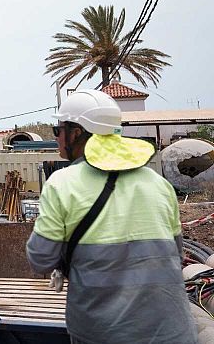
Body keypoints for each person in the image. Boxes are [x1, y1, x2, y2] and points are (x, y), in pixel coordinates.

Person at [26, 90, 197, 344]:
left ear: (75, 133)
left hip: (103, 334)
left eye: (57, 130)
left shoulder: (62, 184)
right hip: (173, 332)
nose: (56, 137)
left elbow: (40, 260)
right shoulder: (159, 184)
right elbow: (175, 254)